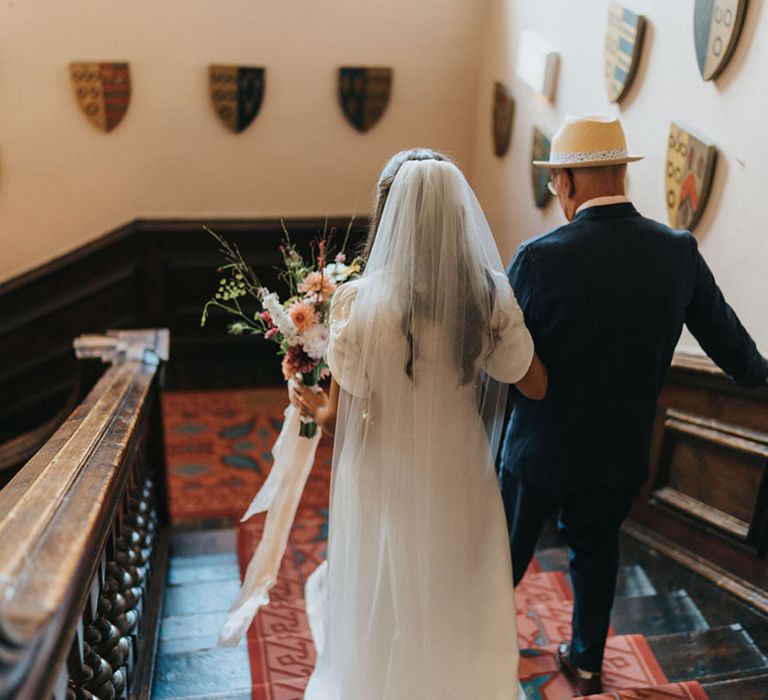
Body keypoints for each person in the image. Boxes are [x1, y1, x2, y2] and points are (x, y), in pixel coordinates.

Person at [499, 114, 768, 696]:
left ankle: (476, 645)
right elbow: (734, 349)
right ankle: (589, 663)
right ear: (621, 172)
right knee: (596, 550)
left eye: (555, 183)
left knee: (504, 556)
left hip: (538, 448)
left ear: (568, 181)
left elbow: (499, 357)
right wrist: (759, 377)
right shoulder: (676, 251)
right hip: (619, 448)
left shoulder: (539, 257)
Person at [292, 149, 547, 699]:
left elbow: (341, 418)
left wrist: (312, 404)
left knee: (390, 580)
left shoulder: (360, 302)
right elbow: (528, 378)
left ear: (391, 217)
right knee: (458, 576)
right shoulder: (487, 291)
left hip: (389, 466)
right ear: (460, 217)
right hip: (459, 462)